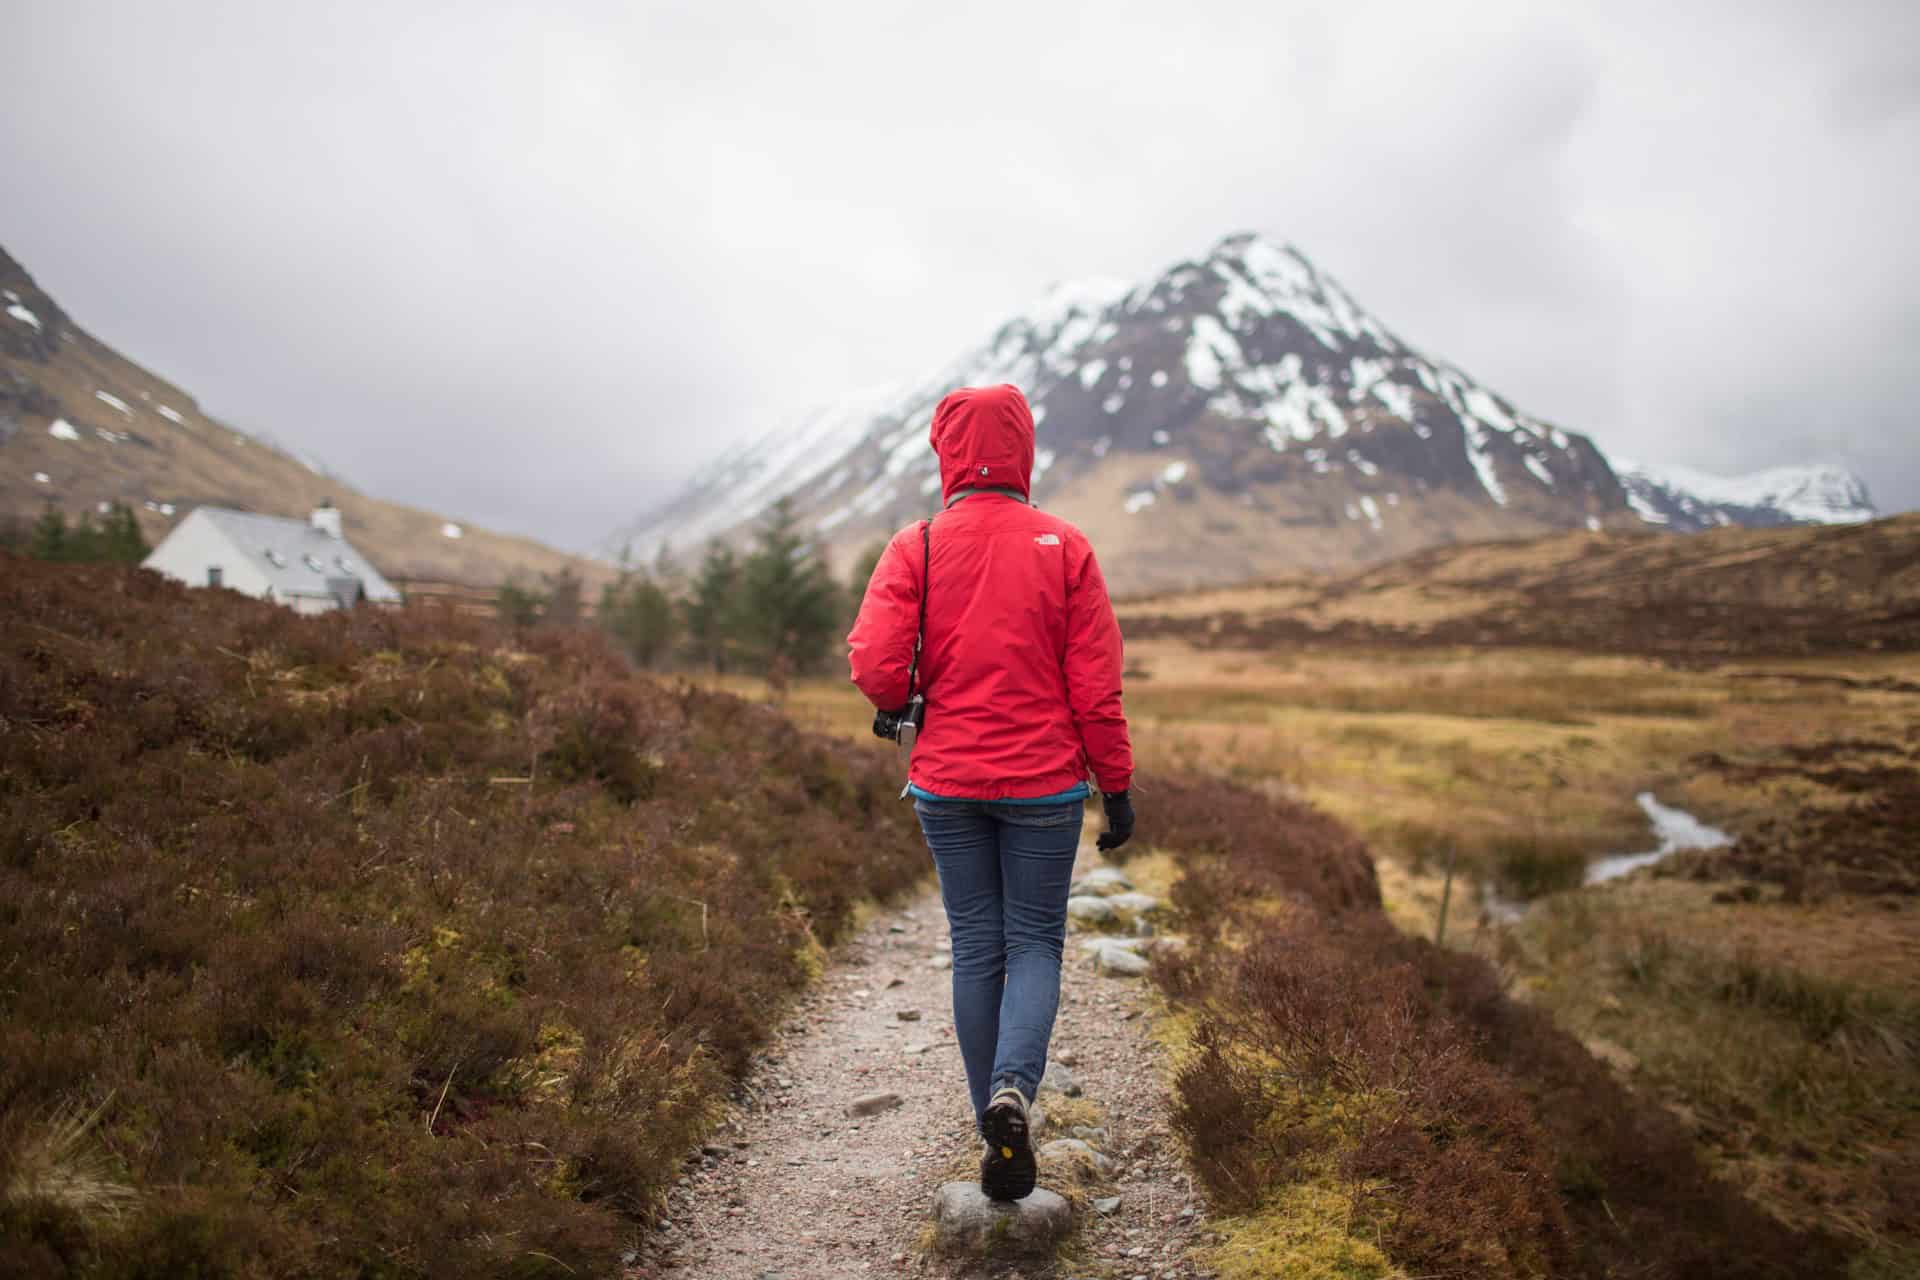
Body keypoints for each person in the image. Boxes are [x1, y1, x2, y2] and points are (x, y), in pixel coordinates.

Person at [847, 383, 1135, 1201]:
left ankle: (993, 1130)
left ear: (945, 450)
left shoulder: (919, 545)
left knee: (977, 947)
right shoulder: (1066, 545)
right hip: (1046, 785)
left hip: (945, 780)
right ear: (1023, 450)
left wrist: (899, 701)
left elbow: (874, 663)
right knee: (1035, 943)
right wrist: (1116, 789)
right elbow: (1097, 694)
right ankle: (1016, 1092)